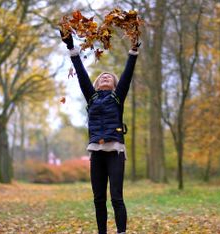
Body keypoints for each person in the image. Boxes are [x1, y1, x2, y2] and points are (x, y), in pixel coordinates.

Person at [60, 30, 139, 234]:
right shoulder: (92, 98)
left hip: (115, 152)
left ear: (113, 84)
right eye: (101, 77)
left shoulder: (117, 98)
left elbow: (127, 75)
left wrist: (133, 51)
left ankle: (121, 232)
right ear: (96, 84)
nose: (105, 77)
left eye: (108, 77)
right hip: (96, 152)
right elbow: (82, 76)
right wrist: (71, 47)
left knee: (116, 197)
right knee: (98, 199)